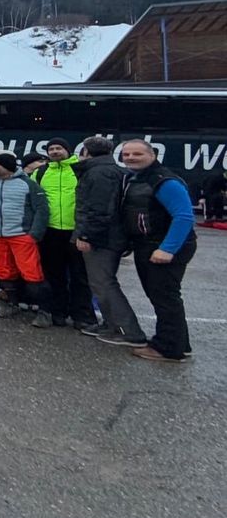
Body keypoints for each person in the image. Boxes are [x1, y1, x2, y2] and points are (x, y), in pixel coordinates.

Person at [119, 139, 197, 362]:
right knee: (162, 297)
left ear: (152, 155)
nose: (131, 158)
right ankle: (180, 343)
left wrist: (167, 249)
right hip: (149, 244)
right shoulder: (139, 178)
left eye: (137, 154)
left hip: (161, 247)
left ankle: (169, 349)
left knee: (165, 298)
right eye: (127, 154)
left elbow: (183, 216)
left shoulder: (164, 181)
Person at [71, 136, 147, 347]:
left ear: (86, 151)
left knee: (103, 283)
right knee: (100, 283)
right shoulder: (110, 171)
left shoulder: (98, 173)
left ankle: (128, 331)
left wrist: (86, 235)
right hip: (110, 236)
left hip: (102, 239)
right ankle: (111, 324)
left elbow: (98, 209)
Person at [0, 151, 52, 324]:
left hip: (21, 236)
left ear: (6, 166)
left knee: (32, 273)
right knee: (4, 271)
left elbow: (42, 209)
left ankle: (45, 311)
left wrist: (34, 234)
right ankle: (13, 304)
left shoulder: (28, 184)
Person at [33, 138, 96, 328]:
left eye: (58, 148)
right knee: (54, 275)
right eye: (51, 149)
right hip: (50, 231)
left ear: (68, 150)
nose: (54, 152)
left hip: (76, 231)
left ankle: (82, 316)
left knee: (80, 276)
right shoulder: (41, 172)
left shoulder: (81, 170)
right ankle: (57, 312)